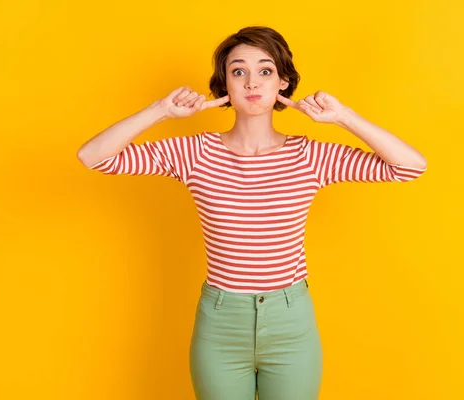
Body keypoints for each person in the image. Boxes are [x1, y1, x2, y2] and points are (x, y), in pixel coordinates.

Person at [77, 26, 427, 400]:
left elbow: (410, 166)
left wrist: (343, 117)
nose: (251, 82)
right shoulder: (195, 153)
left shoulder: (309, 157)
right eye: (238, 71)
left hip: (290, 322)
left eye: (265, 70)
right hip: (220, 323)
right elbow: (93, 156)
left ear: (283, 82)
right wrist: (161, 110)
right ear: (224, 85)